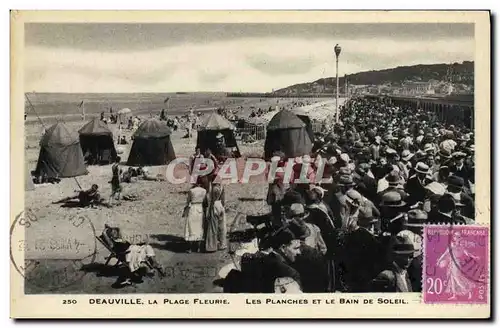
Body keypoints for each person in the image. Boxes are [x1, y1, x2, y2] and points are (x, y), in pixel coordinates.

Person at [100, 225, 166, 287]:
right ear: (111, 236)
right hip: (128, 254)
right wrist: (105, 231)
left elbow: (119, 229)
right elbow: (105, 235)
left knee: (147, 247)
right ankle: (153, 265)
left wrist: (110, 227)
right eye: (113, 233)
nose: (115, 233)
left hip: (133, 249)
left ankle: (154, 262)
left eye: (115, 232)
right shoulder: (112, 243)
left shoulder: (121, 239)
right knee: (143, 251)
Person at [183, 178, 207, 253]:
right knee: (199, 228)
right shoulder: (204, 191)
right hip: (200, 208)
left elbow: (188, 201)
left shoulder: (191, 191)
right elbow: (205, 201)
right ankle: (198, 248)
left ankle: (190, 248)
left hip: (193, 208)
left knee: (191, 227)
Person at [204, 183, 227, 252]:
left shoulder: (213, 188)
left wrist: (208, 211)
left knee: (213, 227)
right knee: (222, 227)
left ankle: (212, 246)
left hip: (214, 205)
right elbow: (223, 199)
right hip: (220, 205)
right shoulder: (222, 186)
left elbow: (211, 200)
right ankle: (222, 244)